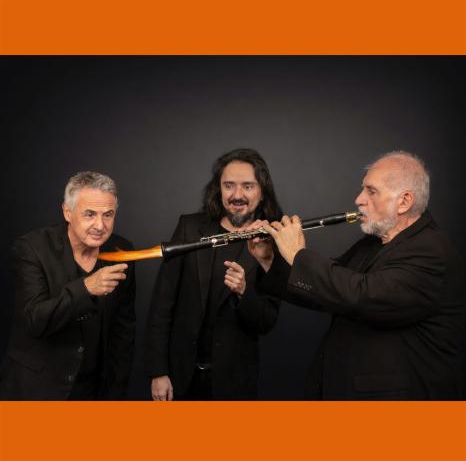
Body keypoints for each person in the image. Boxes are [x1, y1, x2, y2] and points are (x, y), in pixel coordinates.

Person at [249, 151, 464, 400]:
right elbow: (327, 292)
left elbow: (363, 296)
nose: (359, 200)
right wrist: (270, 260)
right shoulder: (372, 243)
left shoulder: (432, 250)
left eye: (371, 192)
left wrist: (298, 254)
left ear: (404, 201)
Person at [144, 148, 282, 400]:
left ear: (262, 192)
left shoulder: (271, 241)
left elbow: (266, 322)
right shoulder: (189, 227)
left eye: (248, 186)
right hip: (179, 377)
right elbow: (161, 305)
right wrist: (158, 371)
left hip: (234, 383)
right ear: (218, 189)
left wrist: (244, 292)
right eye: (229, 185)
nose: (237, 195)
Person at [0, 171, 136, 400]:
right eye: (89, 214)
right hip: (36, 388)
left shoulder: (122, 250)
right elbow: (35, 320)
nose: (100, 225)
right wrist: (86, 288)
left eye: (108, 215)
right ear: (67, 212)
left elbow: (123, 330)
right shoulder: (32, 248)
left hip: (93, 391)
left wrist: (116, 391)